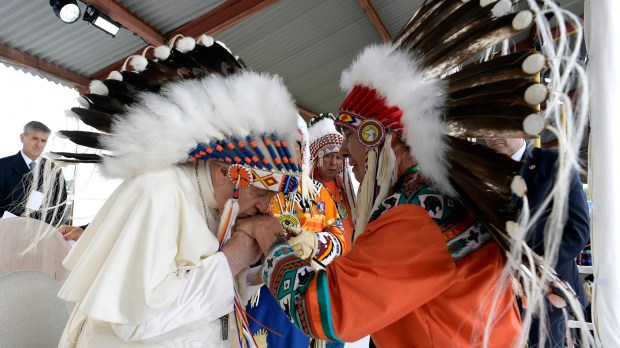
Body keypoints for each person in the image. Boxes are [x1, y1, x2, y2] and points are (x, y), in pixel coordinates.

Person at [233, 0, 590, 345]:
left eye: (349, 136)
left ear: (381, 138)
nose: (342, 151)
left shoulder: (421, 213)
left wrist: (271, 238)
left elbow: (324, 311)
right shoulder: (436, 194)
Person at [49, 35, 306, 347]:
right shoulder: (159, 192)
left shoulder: (218, 200)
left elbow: (217, 294)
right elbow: (133, 322)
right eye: (261, 194)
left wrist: (254, 260)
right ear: (227, 172)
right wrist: (234, 257)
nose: (267, 208)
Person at [246, 118, 346, 348]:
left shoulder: (320, 193)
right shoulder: (254, 188)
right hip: (263, 291)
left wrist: (316, 242)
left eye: (296, 144)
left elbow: (339, 239)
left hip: (309, 288)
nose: (288, 152)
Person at [484, 137, 590, 348]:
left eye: (501, 126)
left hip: (545, 289)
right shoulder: (478, 167)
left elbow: (577, 231)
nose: (493, 134)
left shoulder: (554, 163)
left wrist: (531, 271)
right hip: (492, 288)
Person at [0, 121, 67, 225]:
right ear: (22, 138)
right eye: (35, 138)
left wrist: (49, 230)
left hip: (42, 234)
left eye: (43, 140)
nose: (39, 144)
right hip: (8, 232)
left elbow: (60, 206)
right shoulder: (2, 166)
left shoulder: (55, 170)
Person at [308, 113, 356, 246]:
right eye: (328, 156)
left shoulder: (347, 191)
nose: (333, 163)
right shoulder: (307, 190)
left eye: (339, 157)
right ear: (318, 158)